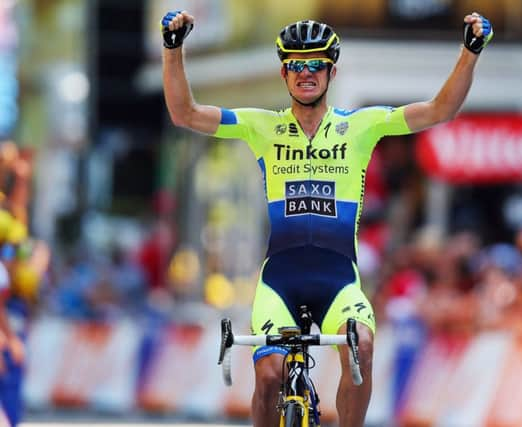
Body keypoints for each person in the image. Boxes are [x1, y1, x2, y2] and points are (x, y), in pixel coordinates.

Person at [161, 11, 493, 427]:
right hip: (279, 282)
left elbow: (440, 110)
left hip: (339, 281)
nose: (306, 73)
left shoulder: (361, 126)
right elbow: (185, 114)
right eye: (296, 65)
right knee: (268, 376)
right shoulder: (261, 126)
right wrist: (173, 50)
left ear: (331, 71)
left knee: (363, 346)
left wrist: (470, 52)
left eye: (315, 63)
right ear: (284, 73)